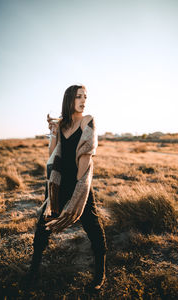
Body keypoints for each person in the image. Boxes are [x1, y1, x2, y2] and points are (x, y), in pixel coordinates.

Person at [27, 85, 107, 291]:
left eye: (85, 97)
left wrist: (77, 190)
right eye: (78, 96)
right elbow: (52, 154)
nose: (83, 100)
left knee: (93, 227)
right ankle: (33, 271)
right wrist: (54, 131)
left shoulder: (88, 120)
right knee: (43, 227)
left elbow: (87, 153)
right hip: (58, 182)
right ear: (69, 99)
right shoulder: (61, 125)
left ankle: (99, 275)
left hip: (80, 185)